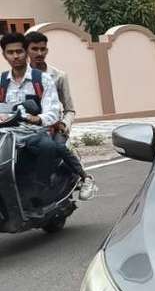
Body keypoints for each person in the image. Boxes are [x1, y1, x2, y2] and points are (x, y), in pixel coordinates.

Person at [0, 33, 94, 200]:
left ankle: (79, 178)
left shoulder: (48, 78)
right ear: (4, 54)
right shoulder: (2, 81)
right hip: (9, 134)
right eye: (10, 52)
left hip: (41, 129)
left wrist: (51, 122)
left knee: (53, 146)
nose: (15, 56)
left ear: (24, 52)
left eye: (19, 51)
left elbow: (61, 109)